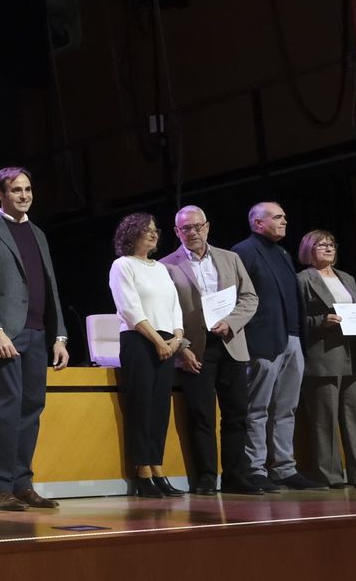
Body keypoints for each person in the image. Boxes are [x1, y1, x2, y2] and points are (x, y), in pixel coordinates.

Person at [0, 166, 69, 512]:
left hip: (38, 333)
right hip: (7, 333)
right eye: (16, 190)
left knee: (32, 408)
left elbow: (51, 285)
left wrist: (60, 335)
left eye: (27, 189)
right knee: (7, 409)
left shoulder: (37, 232)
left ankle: (23, 483)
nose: (24, 196)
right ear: (0, 194)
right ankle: (0, 488)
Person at [159, 205, 260, 495]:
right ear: (177, 232)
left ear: (207, 227)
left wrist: (231, 322)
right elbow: (167, 312)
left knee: (237, 413)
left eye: (197, 226)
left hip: (231, 344)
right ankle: (205, 477)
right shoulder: (166, 266)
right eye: (186, 228)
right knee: (200, 415)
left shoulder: (231, 258)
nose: (193, 232)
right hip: (194, 349)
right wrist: (182, 348)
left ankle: (235, 476)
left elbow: (250, 297)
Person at [233, 202, 323, 490]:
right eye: (277, 217)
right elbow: (238, 298)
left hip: (293, 339)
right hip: (264, 341)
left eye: (284, 216)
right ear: (258, 223)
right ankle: (254, 468)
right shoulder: (244, 252)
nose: (284, 220)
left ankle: (285, 468)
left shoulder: (283, 253)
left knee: (287, 408)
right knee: (257, 408)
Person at [295, 230, 356, 489]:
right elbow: (297, 320)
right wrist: (320, 322)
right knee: (324, 421)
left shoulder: (346, 277)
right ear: (308, 250)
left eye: (331, 244)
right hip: (323, 356)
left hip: (355, 355)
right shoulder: (302, 280)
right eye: (320, 244)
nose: (328, 248)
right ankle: (329, 475)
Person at [108, 213, 188, 497]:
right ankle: (142, 471)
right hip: (140, 340)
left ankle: (158, 468)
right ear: (131, 235)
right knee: (141, 406)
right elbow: (130, 309)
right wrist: (157, 340)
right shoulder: (123, 266)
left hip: (167, 341)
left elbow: (175, 306)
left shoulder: (160, 268)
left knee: (159, 409)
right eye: (147, 231)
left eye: (156, 230)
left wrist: (177, 338)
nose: (154, 235)